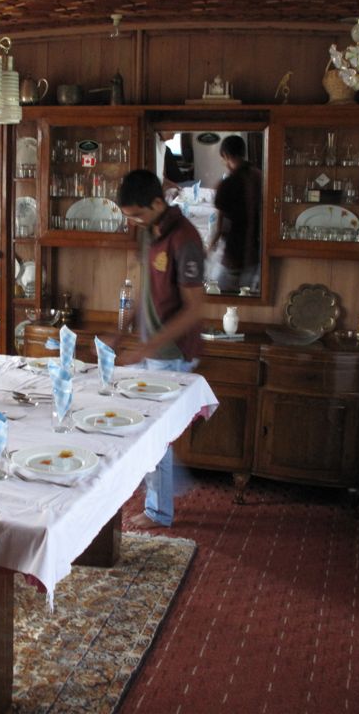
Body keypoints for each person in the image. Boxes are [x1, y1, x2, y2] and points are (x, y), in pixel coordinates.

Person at [115, 169, 205, 529]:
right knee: (141, 428)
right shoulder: (149, 233)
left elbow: (196, 308)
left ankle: (159, 511)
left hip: (174, 354)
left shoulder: (186, 239)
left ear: (157, 203)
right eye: (128, 217)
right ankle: (173, 487)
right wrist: (120, 333)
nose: (134, 222)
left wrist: (145, 348)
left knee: (155, 436)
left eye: (137, 214)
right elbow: (145, 290)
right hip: (151, 352)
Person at [210, 135, 261, 293]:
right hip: (257, 251)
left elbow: (221, 224)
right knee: (249, 295)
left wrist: (212, 243)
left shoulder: (227, 184)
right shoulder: (259, 176)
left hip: (235, 253)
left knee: (218, 292)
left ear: (225, 155)